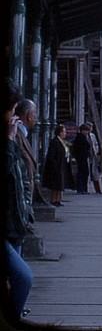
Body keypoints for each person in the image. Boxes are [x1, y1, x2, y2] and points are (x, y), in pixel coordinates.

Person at [5, 88, 34, 321]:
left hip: (15, 220)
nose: (15, 117)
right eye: (12, 110)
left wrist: (26, 210)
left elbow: (21, 177)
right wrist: (9, 139)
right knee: (23, 276)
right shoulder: (10, 137)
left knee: (15, 276)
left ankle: (14, 312)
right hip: (8, 222)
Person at [13, 97, 38, 204]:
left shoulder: (21, 134)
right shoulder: (16, 135)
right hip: (20, 198)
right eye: (35, 114)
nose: (36, 118)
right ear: (29, 116)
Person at [41, 124, 70, 206]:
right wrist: (55, 164)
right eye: (64, 132)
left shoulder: (62, 142)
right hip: (56, 166)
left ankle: (57, 199)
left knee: (59, 184)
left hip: (61, 165)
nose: (65, 134)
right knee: (55, 184)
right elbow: (52, 155)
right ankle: (53, 199)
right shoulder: (55, 142)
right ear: (59, 132)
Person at [72, 123, 92, 195]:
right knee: (83, 172)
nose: (87, 132)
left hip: (81, 156)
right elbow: (87, 146)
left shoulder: (79, 137)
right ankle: (82, 188)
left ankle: (81, 188)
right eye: (86, 130)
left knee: (82, 172)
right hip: (82, 157)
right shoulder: (81, 138)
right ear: (83, 130)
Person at [86, 123, 102, 193]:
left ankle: (98, 190)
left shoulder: (92, 135)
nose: (91, 129)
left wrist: (96, 150)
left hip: (93, 156)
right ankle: (86, 189)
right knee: (87, 173)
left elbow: (96, 144)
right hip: (87, 156)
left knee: (95, 173)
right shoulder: (84, 136)